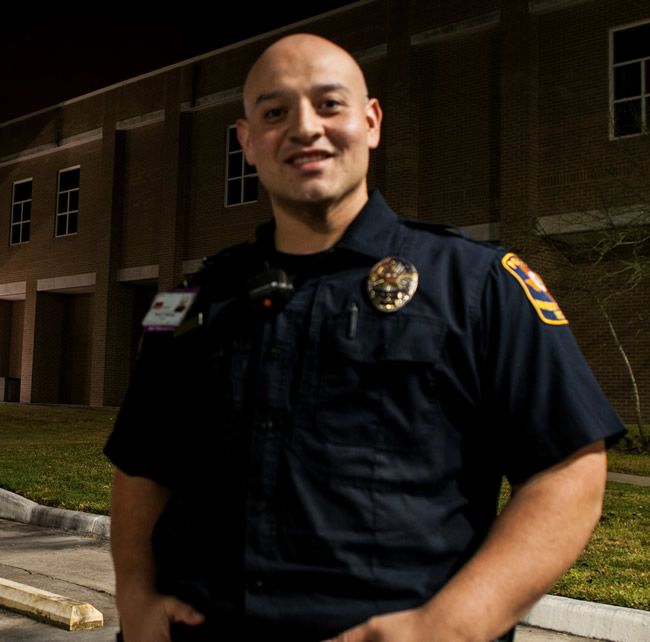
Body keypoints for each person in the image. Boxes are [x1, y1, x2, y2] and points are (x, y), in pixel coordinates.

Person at [105, 33, 626, 642]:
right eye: (275, 113)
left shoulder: (479, 284)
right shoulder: (189, 301)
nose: (304, 127)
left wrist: (448, 626)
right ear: (247, 141)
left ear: (371, 122)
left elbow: (569, 470)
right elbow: (140, 464)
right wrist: (135, 597)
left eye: (329, 105)